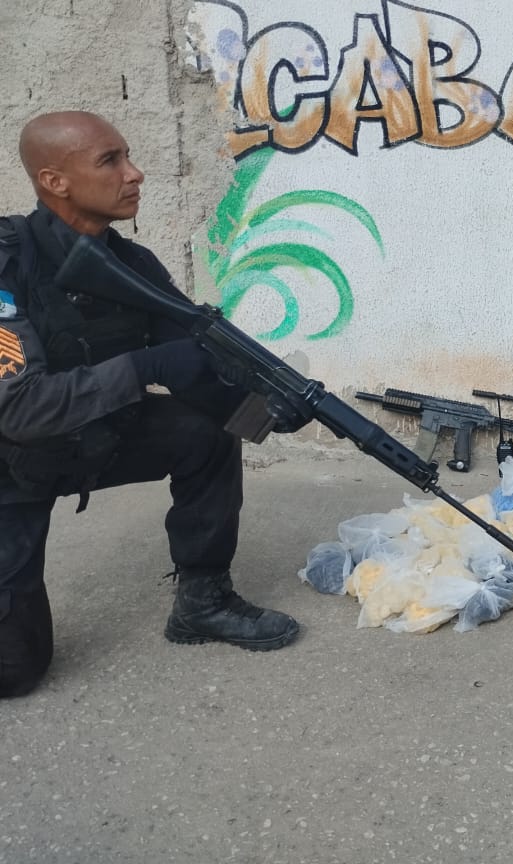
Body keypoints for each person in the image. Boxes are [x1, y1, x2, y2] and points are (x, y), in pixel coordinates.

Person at [0, 111, 305, 699]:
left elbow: (196, 365)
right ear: (54, 180)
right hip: (10, 471)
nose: (134, 173)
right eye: (109, 161)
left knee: (206, 431)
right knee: (15, 671)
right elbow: (22, 411)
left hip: (91, 442)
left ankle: (203, 601)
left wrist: (268, 408)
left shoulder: (131, 266)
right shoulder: (7, 266)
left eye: (129, 156)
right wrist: (145, 368)